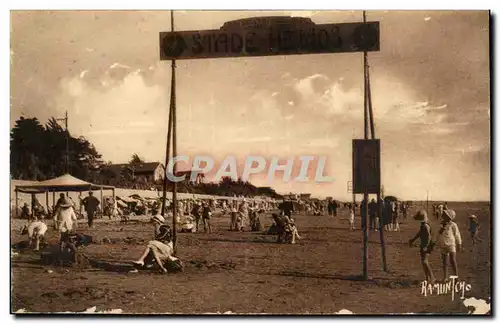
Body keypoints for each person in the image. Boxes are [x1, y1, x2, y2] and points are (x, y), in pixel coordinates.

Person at [409, 210, 436, 283]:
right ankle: (427, 278)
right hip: (423, 244)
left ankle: (432, 277)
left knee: (425, 262)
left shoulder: (426, 226)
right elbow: (419, 233)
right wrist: (413, 239)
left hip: (428, 245)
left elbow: (428, 236)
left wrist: (426, 246)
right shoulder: (422, 225)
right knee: (423, 262)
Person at [437, 209, 462, 281]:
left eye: (445, 215)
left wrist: (459, 243)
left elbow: (457, 234)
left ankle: (456, 276)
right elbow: (438, 234)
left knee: (453, 260)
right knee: (445, 262)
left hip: (451, 244)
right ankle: (445, 277)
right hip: (443, 244)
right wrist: (442, 228)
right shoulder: (441, 224)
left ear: (449, 217)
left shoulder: (453, 225)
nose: (443, 216)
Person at [53, 197, 78, 262]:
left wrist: (75, 224)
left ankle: (68, 251)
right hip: (62, 226)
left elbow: (74, 217)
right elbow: (55, 217)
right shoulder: (60, 209)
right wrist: (55, 224)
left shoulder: (70, 209)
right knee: (63, 238)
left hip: (69, 225)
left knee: (69, 238)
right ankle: (63, 251)